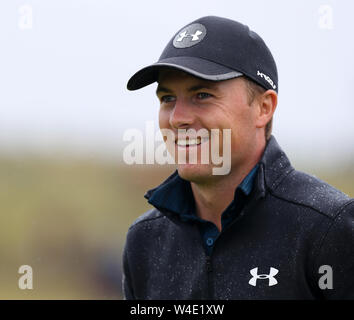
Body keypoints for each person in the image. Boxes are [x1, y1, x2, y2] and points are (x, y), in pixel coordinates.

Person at [122, 16, 354, 299]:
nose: (178, 118)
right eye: (167, 98)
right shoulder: (144, 241)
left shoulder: (329, 229)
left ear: (263, 108)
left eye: (203, 95)